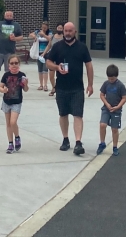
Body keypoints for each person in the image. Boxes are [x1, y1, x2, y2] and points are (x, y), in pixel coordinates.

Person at [45, 21, 94, 155]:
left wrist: (90, 84)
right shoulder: (57, 47)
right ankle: (65, 139)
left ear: (75, 32)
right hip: (61, 87)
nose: (67, 33)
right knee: (63, 114)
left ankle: (78, 143)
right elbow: (48, 62)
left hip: (77, 87)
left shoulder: (82, 47)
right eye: (66, 31)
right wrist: (56, 67)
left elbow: (89, 66)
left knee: (78, 114)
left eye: (70, 31)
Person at [0, 56, 28, 153]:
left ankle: (17, 137)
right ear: (8, 64)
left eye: (16, 63)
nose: (14, 65)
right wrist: (3, 90)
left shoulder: (22, 75)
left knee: (13, 122)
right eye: (12, 63)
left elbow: (26, 90)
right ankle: (10, 144)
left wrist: (26, 84)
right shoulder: (6, 75)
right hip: (6, 101)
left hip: (16, 102)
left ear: (19, 64)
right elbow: (0, 87)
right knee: (8, 123)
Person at [0, 10, 23, 95]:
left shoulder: (16, 25)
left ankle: (8, 86)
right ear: (4, 16)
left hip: (10, 52)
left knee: (9, 70)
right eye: (7, 15)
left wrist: (15, 39)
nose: (9, 17)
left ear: (13, 16)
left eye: (10, 15)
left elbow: (21, 37)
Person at [97, 64, 126, 157]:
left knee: (114, 129)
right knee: (102, 125)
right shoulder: (106, 84)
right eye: (109, 78)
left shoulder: (120, 85)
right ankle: (102, 143)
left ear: (116, 76)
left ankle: (115, 146)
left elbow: (124, 98)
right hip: (106, 108)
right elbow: (102, 95)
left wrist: (118, 106)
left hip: (116, 110)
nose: (111, 80)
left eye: (113, 79)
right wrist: (107, 104)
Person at [31, 22, 51, 90]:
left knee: (45, 69)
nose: (43, 29)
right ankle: (41, 85)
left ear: (47, 28)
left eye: (45, 28)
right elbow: (31, 34)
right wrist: (34, 36)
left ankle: (45, 85)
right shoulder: (38, 32)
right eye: (42, 27)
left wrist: (44, 35)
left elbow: (50, 39)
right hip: (38, 52)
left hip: (46, 52)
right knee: (40, 69)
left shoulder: (49, 33)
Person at [48, 24, 64, 96]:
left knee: (60, 76)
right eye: (58, 28)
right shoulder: (52, 37)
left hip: (61, 59)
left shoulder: (64, 38)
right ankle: (54, 87)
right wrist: (44, 53)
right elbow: (49, 46)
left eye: (61, 28)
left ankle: (59, 90)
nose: (59, 29)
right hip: (52, 58)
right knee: (51, 76)